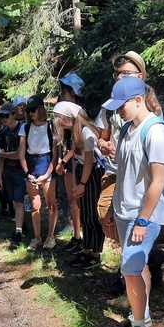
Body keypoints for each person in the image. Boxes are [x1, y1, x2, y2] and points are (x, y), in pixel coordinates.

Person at [101, 77, 164, 327]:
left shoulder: (156, 131)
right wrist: (111, 207)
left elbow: (158, 180)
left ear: (138, 100)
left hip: (144, 216)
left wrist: (143, 219)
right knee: (137, 268)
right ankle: (139, 314)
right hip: (123, 211)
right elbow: (124, 170)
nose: (118, 111)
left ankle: (140, 325)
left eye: (121, 106)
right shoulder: (129, 129)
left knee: (129, 270)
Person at [52, 101, 104, 269]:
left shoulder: (87, 133)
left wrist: (82, 183)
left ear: (69, 118)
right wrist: (76, 181)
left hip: (92, 174)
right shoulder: (76, 132)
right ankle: (86, 250)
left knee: (92, 216)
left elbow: (89, 162)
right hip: (83, 173)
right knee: (86, 214)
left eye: (60, 120)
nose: (60, 125)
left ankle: (95, 254)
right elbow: (77, 160)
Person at [22, 96, 58, 251]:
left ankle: (50, 236)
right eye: (28, 110)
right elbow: (21, 153)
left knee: (51, 204)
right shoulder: (25, 128)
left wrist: (47, 174)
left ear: (41, 109)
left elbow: (55, 155)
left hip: (46, 164)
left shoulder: (51, 127)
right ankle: (37, 237)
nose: (31, 113)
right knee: (35, 205)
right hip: (31, 166)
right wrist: (27, 172)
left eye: (33, 110)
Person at [55, 74, 84, 250]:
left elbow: (80, 144)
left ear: (72, 92)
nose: (61, 94)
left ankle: (84, 237)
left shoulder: (79, 113)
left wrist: (64, 161)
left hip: (78, 164)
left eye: (64, 90)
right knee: (72, 201)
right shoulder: (64, 111)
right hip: (68, 163)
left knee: (79, 202)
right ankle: (76, 235)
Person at [0, 102, 29, 249]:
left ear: (14, 115)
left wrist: (2, 154)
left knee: (19, 202)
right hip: (8, 172)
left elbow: (18, 154)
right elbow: (1, 157)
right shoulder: (3, 133)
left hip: (20, 171)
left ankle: (18, 232)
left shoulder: (23, 130)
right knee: (14, 201)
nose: (3, 118)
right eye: (1, 116)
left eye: (6, 115)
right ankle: (23, 224)